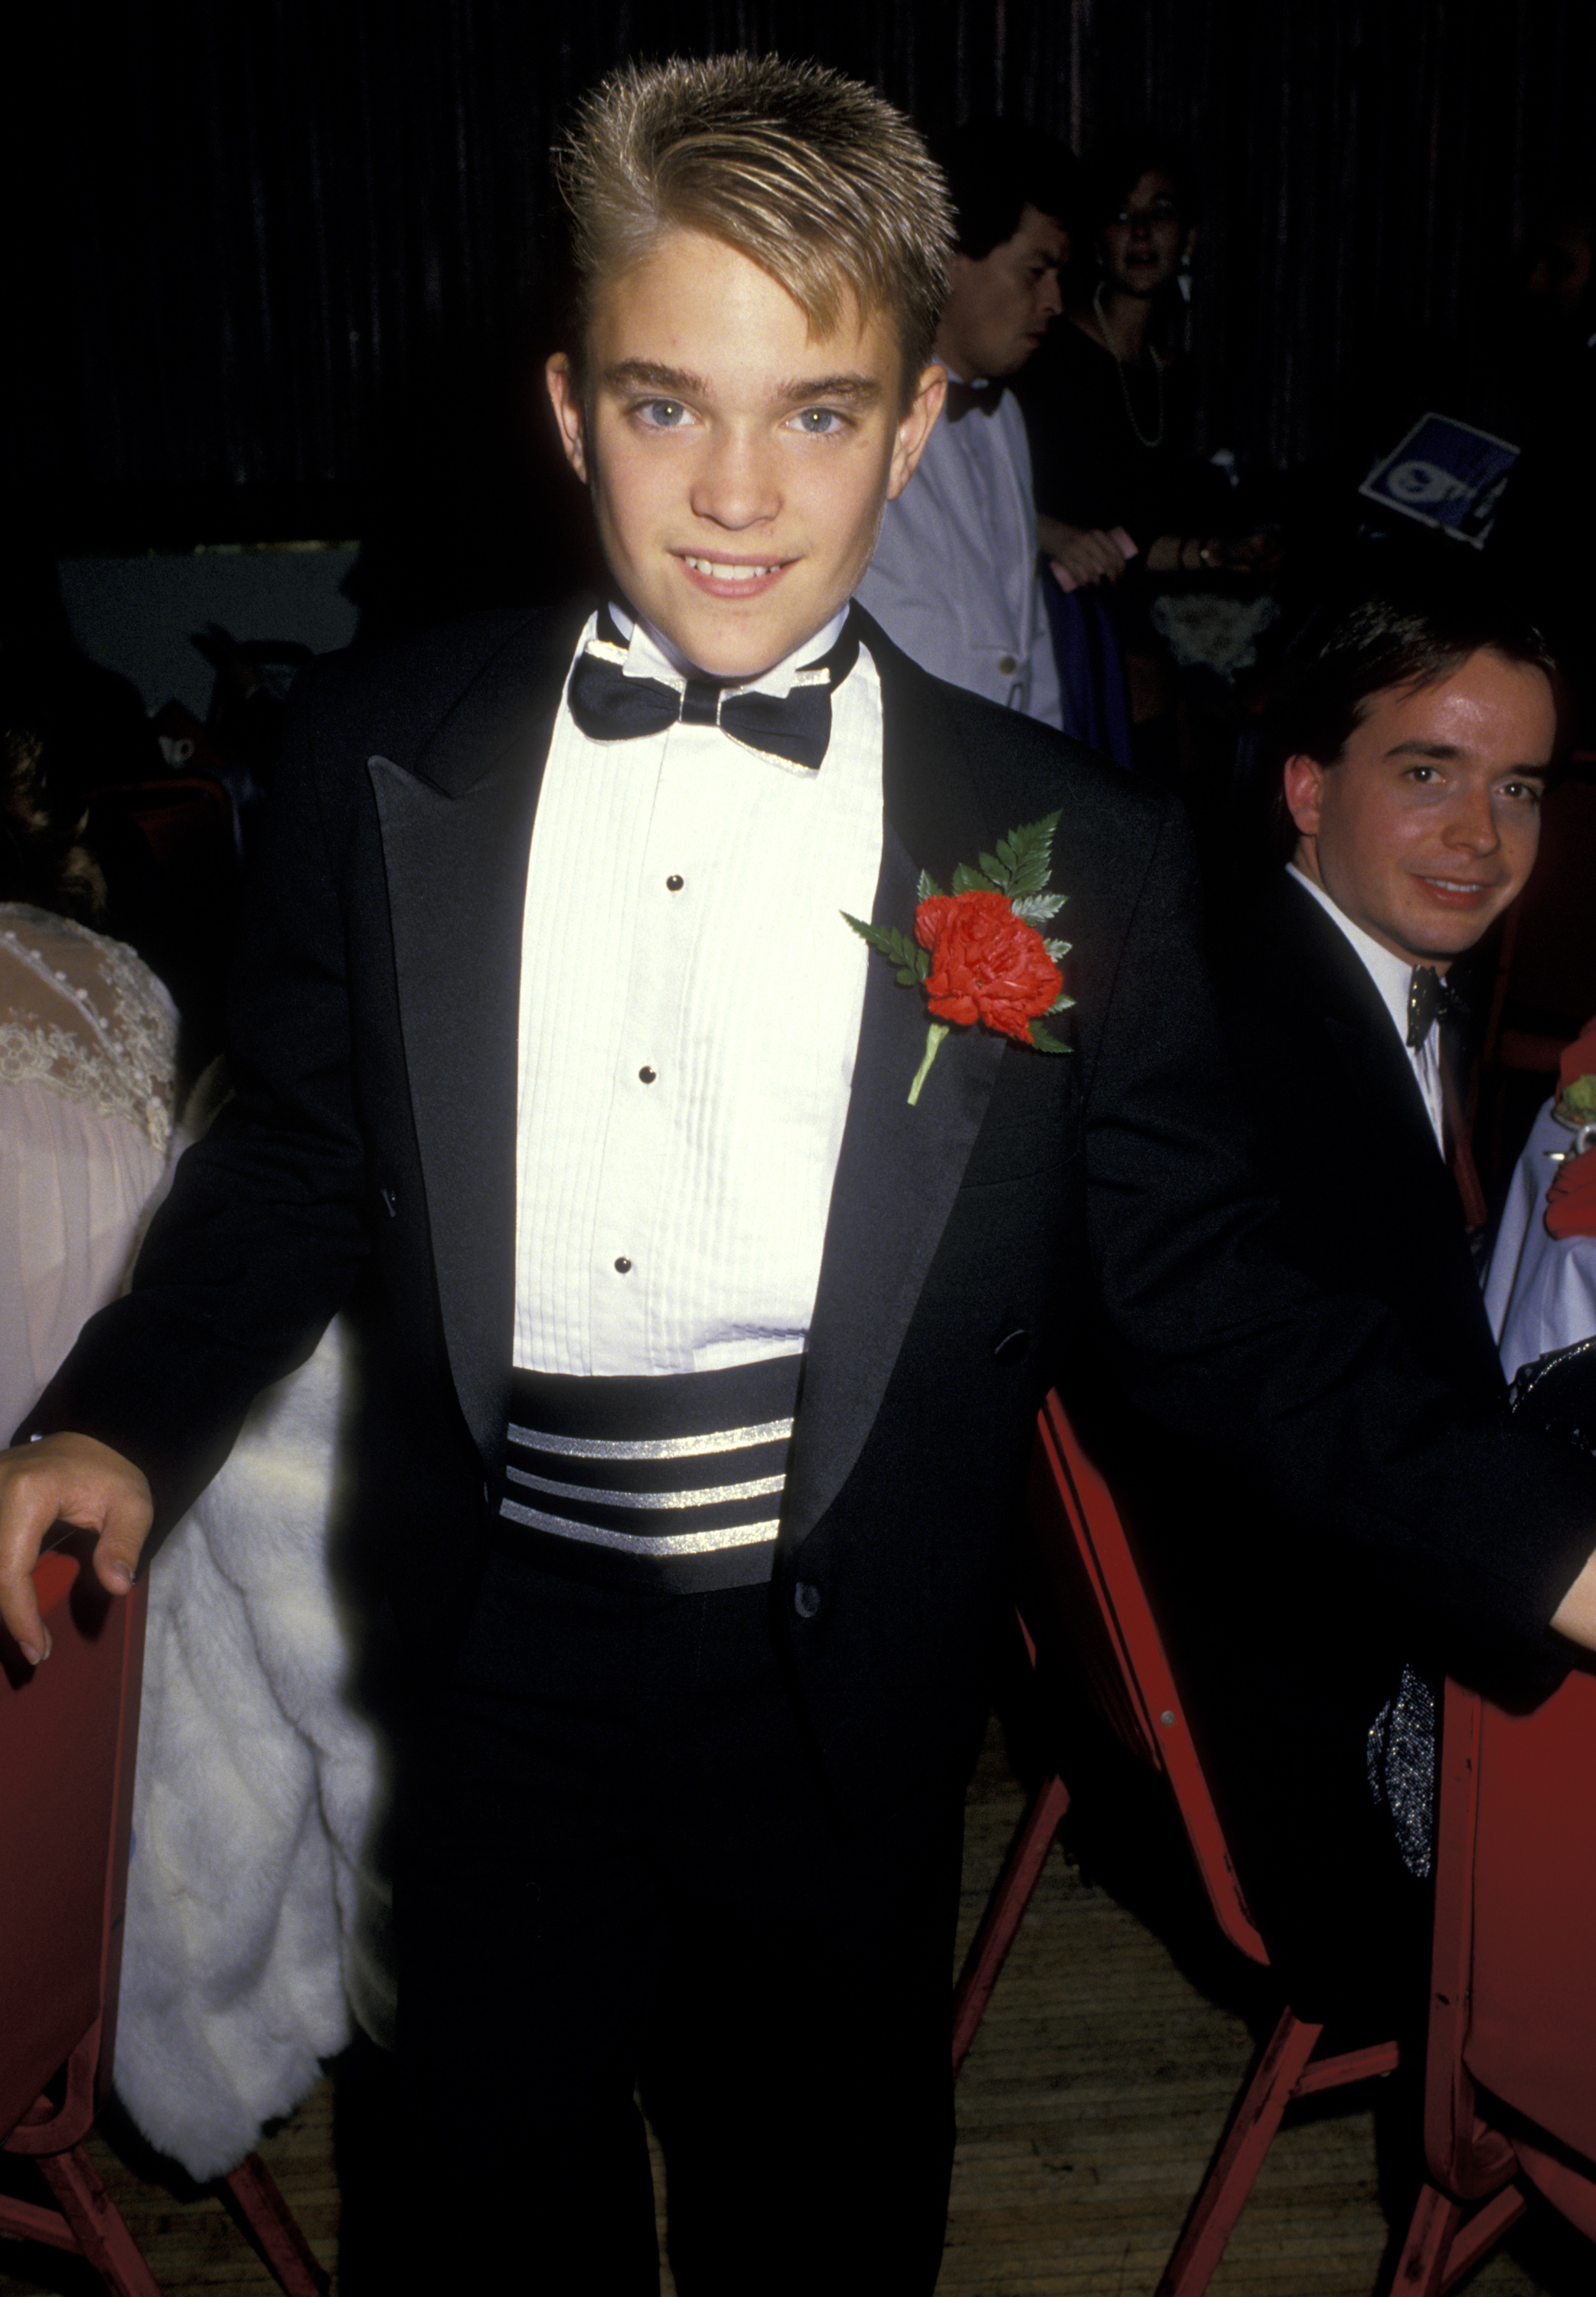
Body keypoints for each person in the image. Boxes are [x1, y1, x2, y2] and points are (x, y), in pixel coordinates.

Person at [5, 55, 1596, 2296]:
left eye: (817, 413)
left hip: (837, 1681)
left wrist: (1545, 1551)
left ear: (919, 422)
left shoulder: (1051, 852)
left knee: (816, 2228)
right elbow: (294, 1154)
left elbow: (1213, 1306)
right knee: (480, 2228)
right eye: (670, 407)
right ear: (568, 413)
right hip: (483, 1660)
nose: (736, 490)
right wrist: (118, 1408)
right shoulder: (383, 756)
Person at [1128, 581, 1559, 2024]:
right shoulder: (1254, 1045)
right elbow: (1331, 1418)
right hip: (1324, 1759)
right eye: (1426, 772)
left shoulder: (1317, 967)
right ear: (1308, 788)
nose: (1482, 837)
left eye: (1518, 788)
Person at [855, 121, 1081, 730]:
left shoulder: (1004, 415)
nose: (1055, 301)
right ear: (948, 261)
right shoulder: (853, 409)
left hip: (994, 776)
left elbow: (1025, 636)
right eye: (1036, 272)